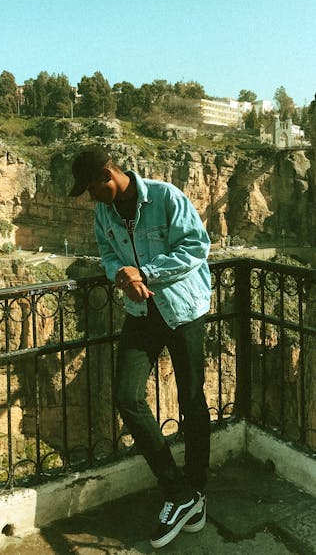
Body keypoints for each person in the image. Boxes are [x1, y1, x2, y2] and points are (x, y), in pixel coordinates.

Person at [69, 145, 211, 549]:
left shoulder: (166, 196)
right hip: (142, 313)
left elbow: (196, 247)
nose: (91, 199)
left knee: (192, 401)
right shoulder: (104, 213)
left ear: (107, 175)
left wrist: (146, 271)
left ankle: (196, 493)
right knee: (127, 396)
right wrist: (121, 276)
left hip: (183, 310)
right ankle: (180, 493)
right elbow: (109, 254)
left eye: (92, 189)